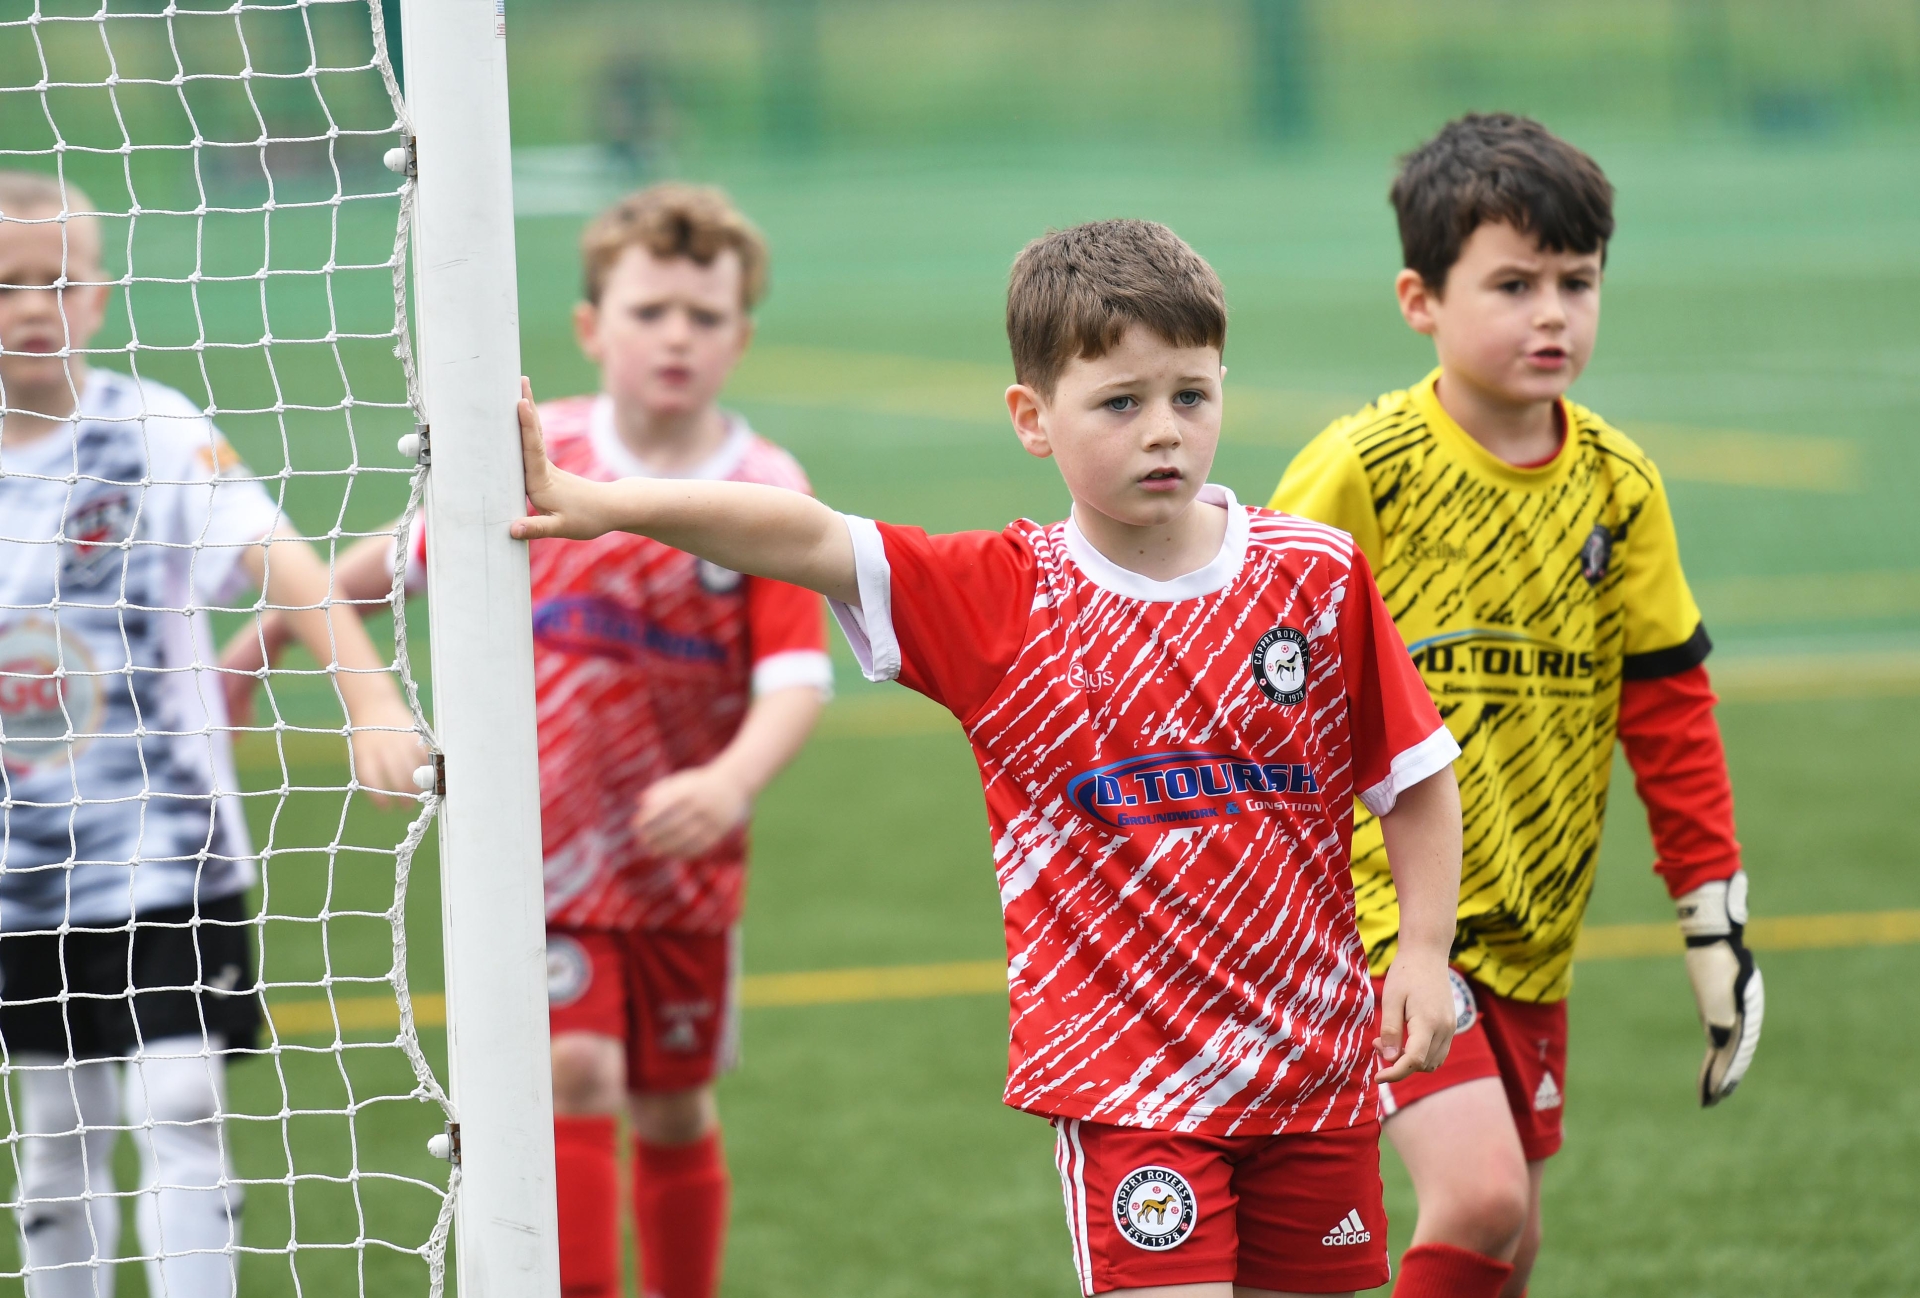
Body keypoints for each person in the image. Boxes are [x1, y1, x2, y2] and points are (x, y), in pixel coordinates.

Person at [508, 218, 1467, 1298]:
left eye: (1191, 395)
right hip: (1128, 1084)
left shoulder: (1316, 575)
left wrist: (1423, 950)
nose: (1165, 430)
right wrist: (603, 505)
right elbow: (804, 534)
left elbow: (1414, 776)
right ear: (1032, 418)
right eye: (1121, 403)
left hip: (1315, 1069)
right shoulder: (1001, 596)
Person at [222, 183, 832, 1298]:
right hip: (542, 853)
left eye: (705, 316)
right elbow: (405, 553)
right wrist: (269, 634)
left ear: (740, 336)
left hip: (681, 865)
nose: (678, 336)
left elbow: (795, 676)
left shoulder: (763, 489)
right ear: (593, 327)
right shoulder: (539, 453)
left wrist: (731, 779)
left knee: (673, 1102)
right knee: (579, 1068)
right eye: (650, 311)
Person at [1269, 113, 1763, 1298]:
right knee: (1481, 1197)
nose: (1554, 315)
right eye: (1513, 284)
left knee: (1511, 1242)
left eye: (1576, 282)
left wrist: (1714, 919)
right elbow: (1250, 660)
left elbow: (1669, 711)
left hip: (1535, 920)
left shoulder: (1618, 486)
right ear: (1420, 300)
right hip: (1376, 907)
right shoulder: (1362, 467)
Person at [0, 170, 422, 1297]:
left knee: (182, 1101)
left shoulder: (155, 429)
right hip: (23, 865)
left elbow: (284, 564)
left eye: (58, 280)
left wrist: (371, 699)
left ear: (99, 294)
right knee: (56, 1132)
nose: (32, 306)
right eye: (4, 286)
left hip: (168, 845)